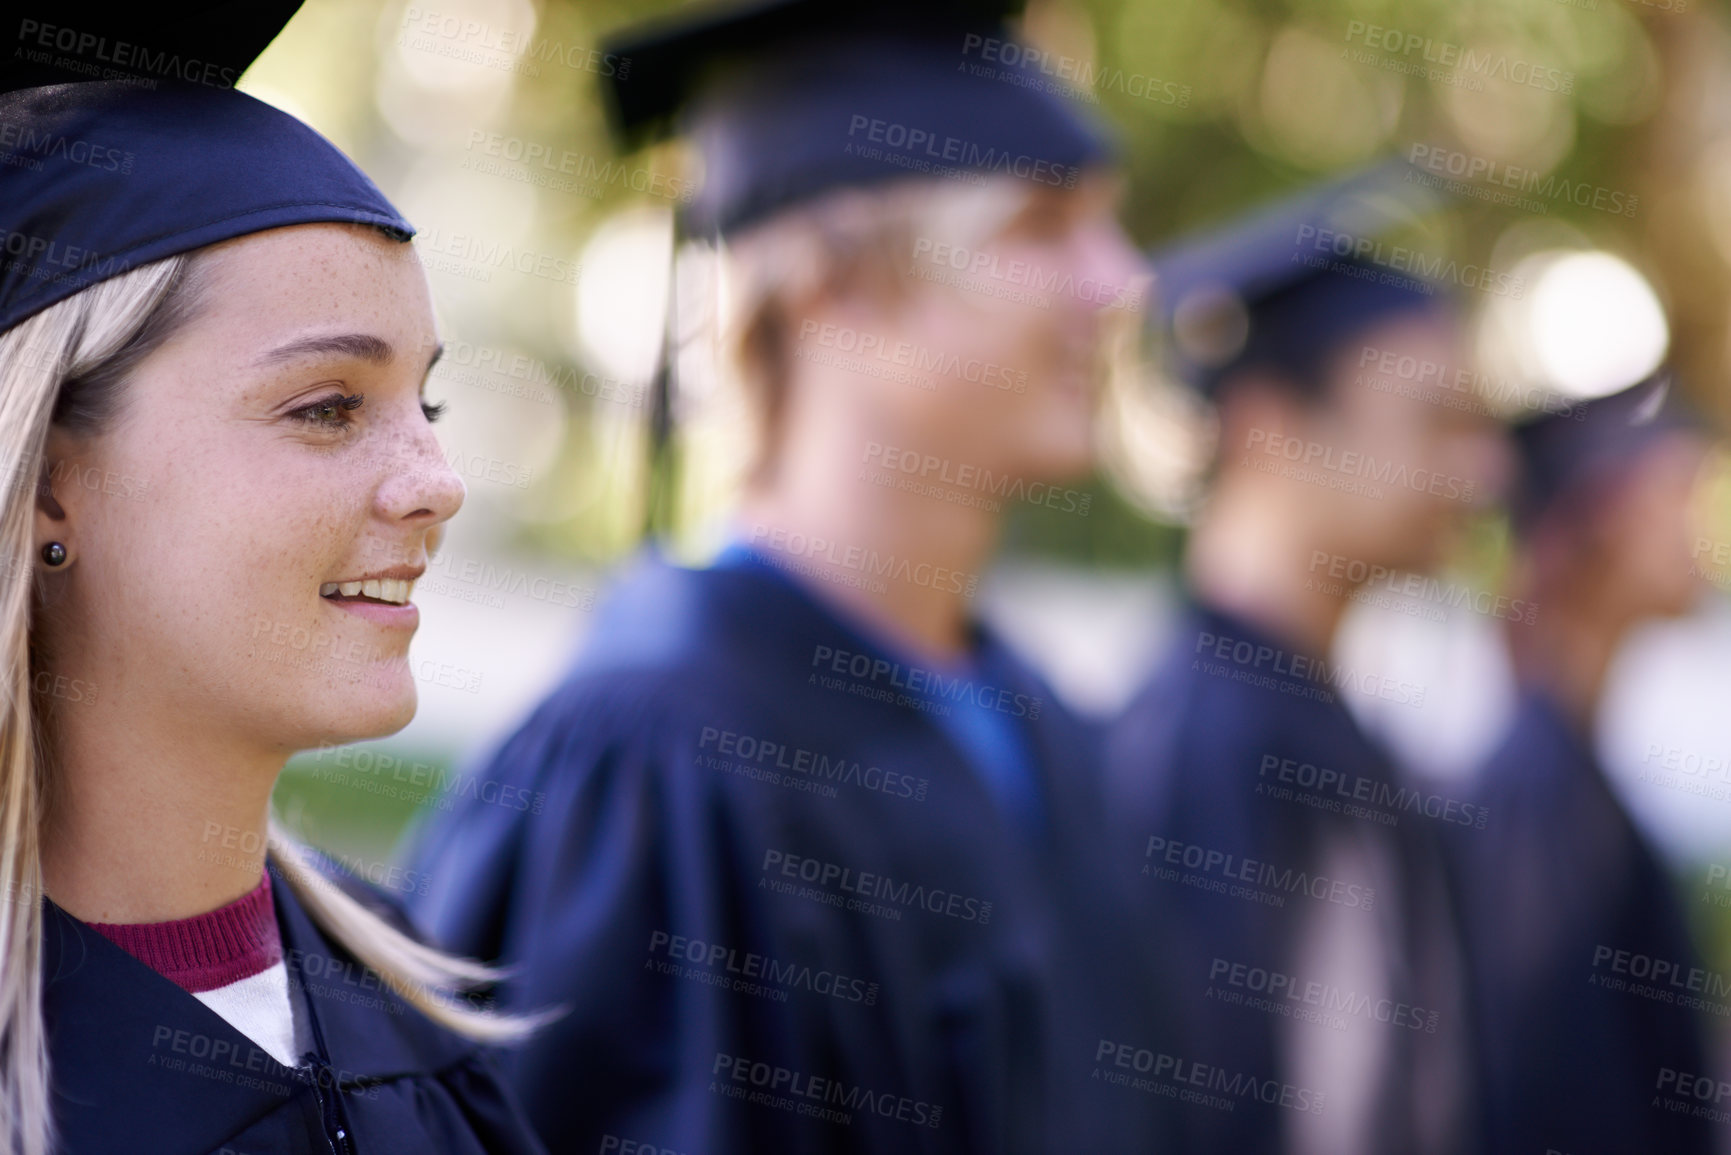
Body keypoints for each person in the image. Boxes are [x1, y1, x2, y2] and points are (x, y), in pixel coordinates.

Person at [404, 1, 1178, 1152]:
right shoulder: (659, 763)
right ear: (833, 284)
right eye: (1042, 226)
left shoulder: (1036, 716)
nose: (1119, 283)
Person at [0, 4, 545, 1152]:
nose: (436, 482)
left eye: (425, 405)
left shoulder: (411, 1006)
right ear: (51, 481)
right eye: (329, 407)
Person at [1105, 175, 1509, 1155]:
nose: (1484, 473)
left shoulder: (1343, 739)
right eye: (1434, 421)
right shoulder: (1192, 757)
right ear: (1267, 430)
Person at [1453, 375, 1717, 1154]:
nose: (1694, 528)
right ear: (1599, 519)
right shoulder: (1532, 795)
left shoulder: (1577, 768)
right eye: (1674, 493)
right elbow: (1555, 1091)